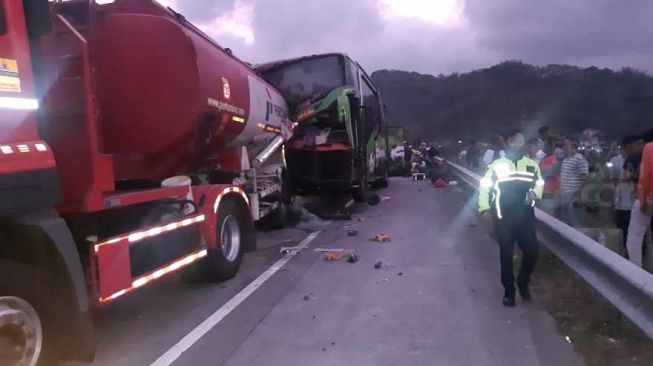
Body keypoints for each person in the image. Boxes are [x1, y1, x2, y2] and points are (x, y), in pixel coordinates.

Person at [478, 129, 544, 307]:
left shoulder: (531, 165)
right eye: (514, 140)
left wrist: (535, 194)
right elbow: (484, 187)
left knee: (532, 252)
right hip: (503, 218)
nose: (518, 143)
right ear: (506, 142)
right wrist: (484, 210)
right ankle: (509, 292)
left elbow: (539, 183)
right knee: (506, 256)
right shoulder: (496, 166)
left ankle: (522, 280)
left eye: (521, 140)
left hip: (525, 219)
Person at [625, 129, 653, 266]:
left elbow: (645, 177)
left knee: (635, 238)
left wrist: (641, 202)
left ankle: (635, 274)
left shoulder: (649, 148)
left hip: (649, 198)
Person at [612, 135, 643, 256]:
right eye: (636, 145)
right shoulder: (615, 161)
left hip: (636, 202)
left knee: (637, 234)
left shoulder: (641, 160)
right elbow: (612, 179)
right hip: (620, 202)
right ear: (627, 146)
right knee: (623, 231)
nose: (638, 147)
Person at [559, 138, 589, 227]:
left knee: (576, 221)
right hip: (565, 194)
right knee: (566, 222)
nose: (564, 148)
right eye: (563, 145)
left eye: (566, 145)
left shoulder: (579, 159)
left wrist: (581, 197)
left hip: (574, 194)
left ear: (574, 147)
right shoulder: (565, 160)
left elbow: (584, 178)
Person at [538, 138, 561, 215]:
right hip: (542, 195)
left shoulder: (553, 160)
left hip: (549, 196)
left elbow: (551, 173)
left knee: (547, 219)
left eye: (543, 144)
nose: (541, 147)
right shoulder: (542, 159)